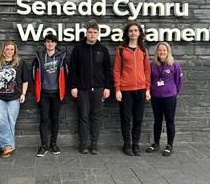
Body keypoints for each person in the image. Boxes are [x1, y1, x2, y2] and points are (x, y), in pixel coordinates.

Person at [69, 20, 111, 154]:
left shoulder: (103, 50)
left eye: (95, 32)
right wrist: (73, 86)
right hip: (82, 89)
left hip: (99, 88)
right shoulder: (78, 49)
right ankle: (83, 143)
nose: (92, 35)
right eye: (90, 32)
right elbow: (73, 69)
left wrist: (107, 87)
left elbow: (107, 70)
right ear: (86, 33)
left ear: (98, 34)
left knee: (96, 117)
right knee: (83, 116)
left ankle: (94, 143)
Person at [113, 21, 151, 156]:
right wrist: (117, 89)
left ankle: (136, 144)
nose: (133, 33)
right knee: (126, 118)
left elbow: (147, 71)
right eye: (131, 31)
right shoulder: (121, 50)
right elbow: (117, 70)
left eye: (135, 30)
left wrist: (147, 89)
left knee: (138, 118)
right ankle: (127, 144)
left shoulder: (143, 50)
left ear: (139, 33)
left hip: (140, 89)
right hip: (125, 89)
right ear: (127, 34)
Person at [0, 40, 29, 158]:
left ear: (15, 51)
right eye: (7, 49)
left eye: (12, 49)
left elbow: (25, 80)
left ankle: (9, 146)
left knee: (11, 120)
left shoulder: (20, 63)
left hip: (14, 96)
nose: (10, 51)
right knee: (1, 119)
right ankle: (7, 146)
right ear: (3, 50)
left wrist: (23, 94)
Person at [32, 33, 68, 157]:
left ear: (55, 43)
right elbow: (33, 74)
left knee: (55, 119)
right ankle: (43, 145)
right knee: (44, 119)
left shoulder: (61, 57)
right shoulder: (39, 57)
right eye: (48, 42)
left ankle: (53, 144)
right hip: (44, 93)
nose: (50, 44)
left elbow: (66, 74)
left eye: (52, 42)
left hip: (57, 93)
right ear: (44, 43)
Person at [146, 42, 184, 156]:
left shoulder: (174, 64)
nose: (162, 52)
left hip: (169, 98)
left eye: (164, 50)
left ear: (168, 52)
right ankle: (156, 144)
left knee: (170, 121)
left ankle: (169, 145)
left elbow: (179, 81)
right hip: (156, 98)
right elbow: (149, 80)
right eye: (160, 50)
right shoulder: (152, 65)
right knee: (157, 121)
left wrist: (174, 92)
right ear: (157, 52)